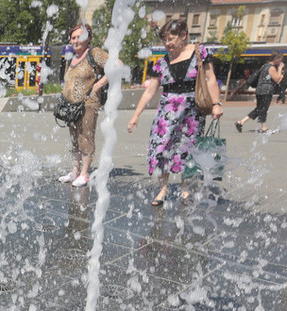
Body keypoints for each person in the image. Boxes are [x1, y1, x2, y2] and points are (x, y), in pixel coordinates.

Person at [127, 19, 223, 206]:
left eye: (170, 39)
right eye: (164, 40)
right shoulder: (161, 63)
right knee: (162, 148)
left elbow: (211, 79)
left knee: (188, 149)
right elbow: (150, 91)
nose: (167, 44)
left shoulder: (200, 53)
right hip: (166, 115)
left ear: (183, 35)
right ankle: (163, 188)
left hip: (192, 113)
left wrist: (216, 104)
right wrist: (135, 115)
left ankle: (185, 188)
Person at [57, 23, 109, 188]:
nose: (76, 40)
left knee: (85, 137)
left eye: (80, 37)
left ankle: (85, 173)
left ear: (88, 38)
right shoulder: (72, 57)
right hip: (71, 106)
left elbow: (117, 66)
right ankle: (74, 170)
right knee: (74, 139)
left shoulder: (94, 53)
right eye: (73, 37)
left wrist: (98, 85)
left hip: (88, 103)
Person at [235, 51, 284, 133]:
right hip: (266, 91)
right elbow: (277, 79)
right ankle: (264, 127)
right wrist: (280, 69)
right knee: (264, 108)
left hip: (260, 90)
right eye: (280, 60)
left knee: (259, 109)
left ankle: (241, 122)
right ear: (276, 59)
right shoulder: (271, 67)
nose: (280, 62)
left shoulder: (264, 66)